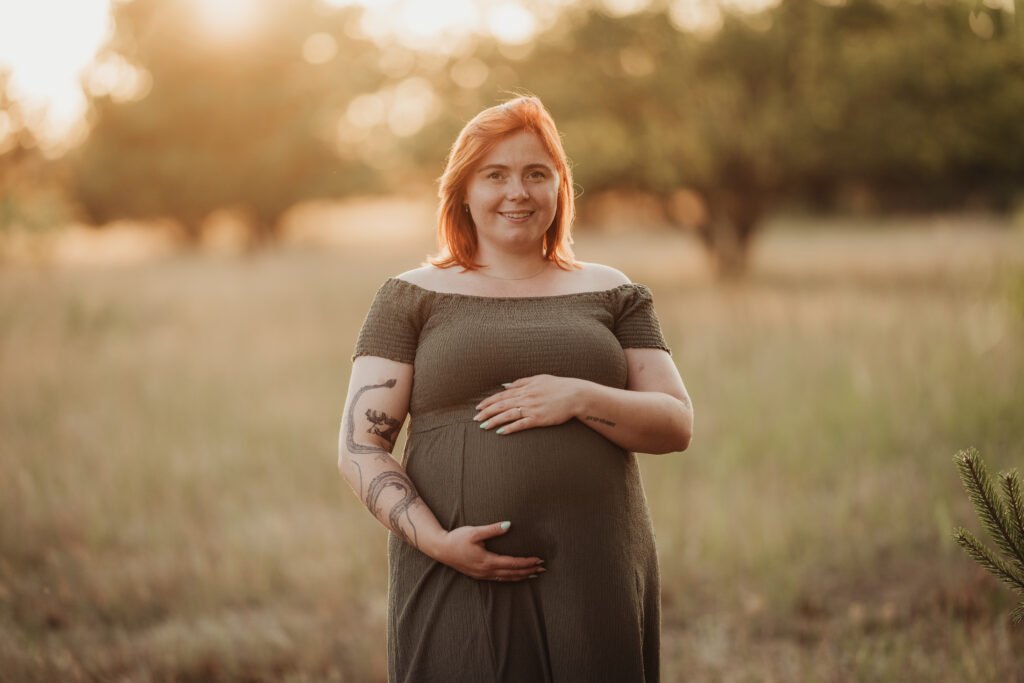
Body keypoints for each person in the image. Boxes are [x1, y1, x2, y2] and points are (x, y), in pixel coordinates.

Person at [338, 95, 693, 683]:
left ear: (560, 187)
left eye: (536, 174)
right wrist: (439, 543)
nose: (518, 193)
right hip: (453, 565)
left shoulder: (613, 291)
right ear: (463, 191)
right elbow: (360, 447)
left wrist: (579, 396)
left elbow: (676, 424)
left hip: (595, 565)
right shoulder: (410, 296)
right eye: (495, 175)